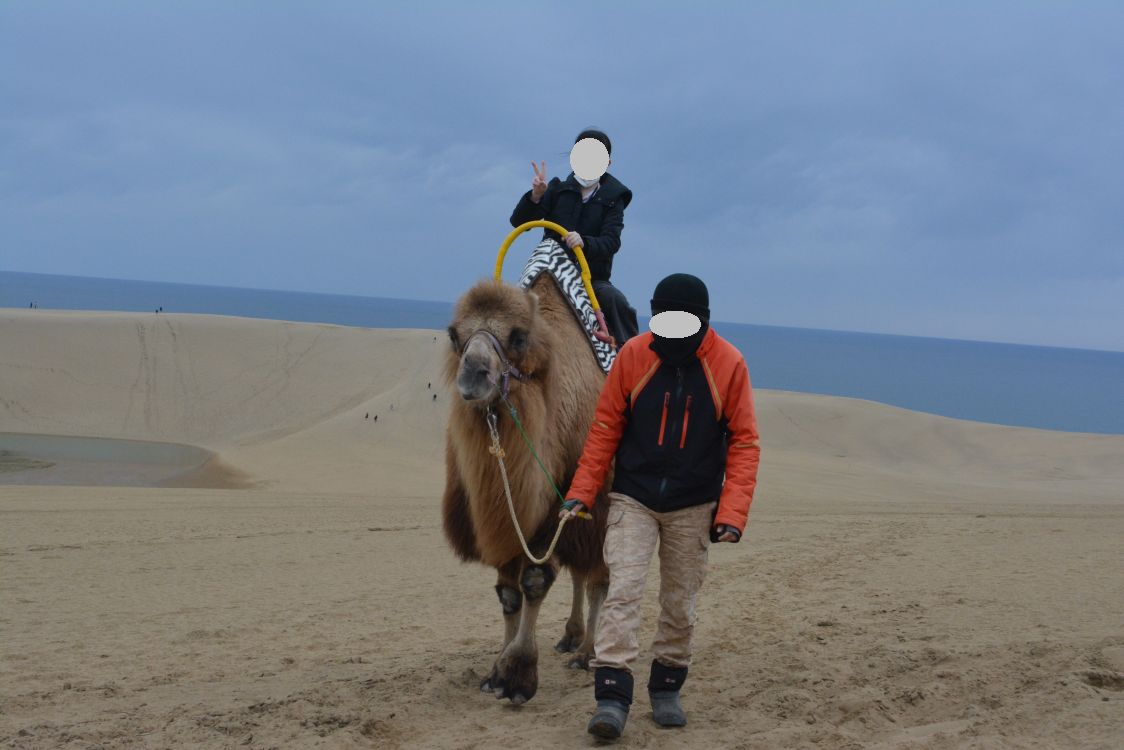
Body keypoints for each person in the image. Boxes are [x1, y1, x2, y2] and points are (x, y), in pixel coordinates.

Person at [558, 273, 762, 739]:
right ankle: (611, 697)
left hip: (693, 503)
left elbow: (745, 442)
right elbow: (606, 426)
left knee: (679, 601)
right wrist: (582, 491)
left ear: (702, 322)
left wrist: (731, 514)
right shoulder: (633, 356)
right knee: (623, 590)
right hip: (634, 496)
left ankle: (667, 686)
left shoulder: (728, 364)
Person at [510, 128, 639, 346]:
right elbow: (519, 222)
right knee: (507, 305)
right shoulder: (558, 189)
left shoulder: (613, 199)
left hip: (591, 279)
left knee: (617, 302)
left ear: (607, 163)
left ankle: (631, 360)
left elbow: (611, 242)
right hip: (549, 272)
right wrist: (536, 196)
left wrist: (584, 242)